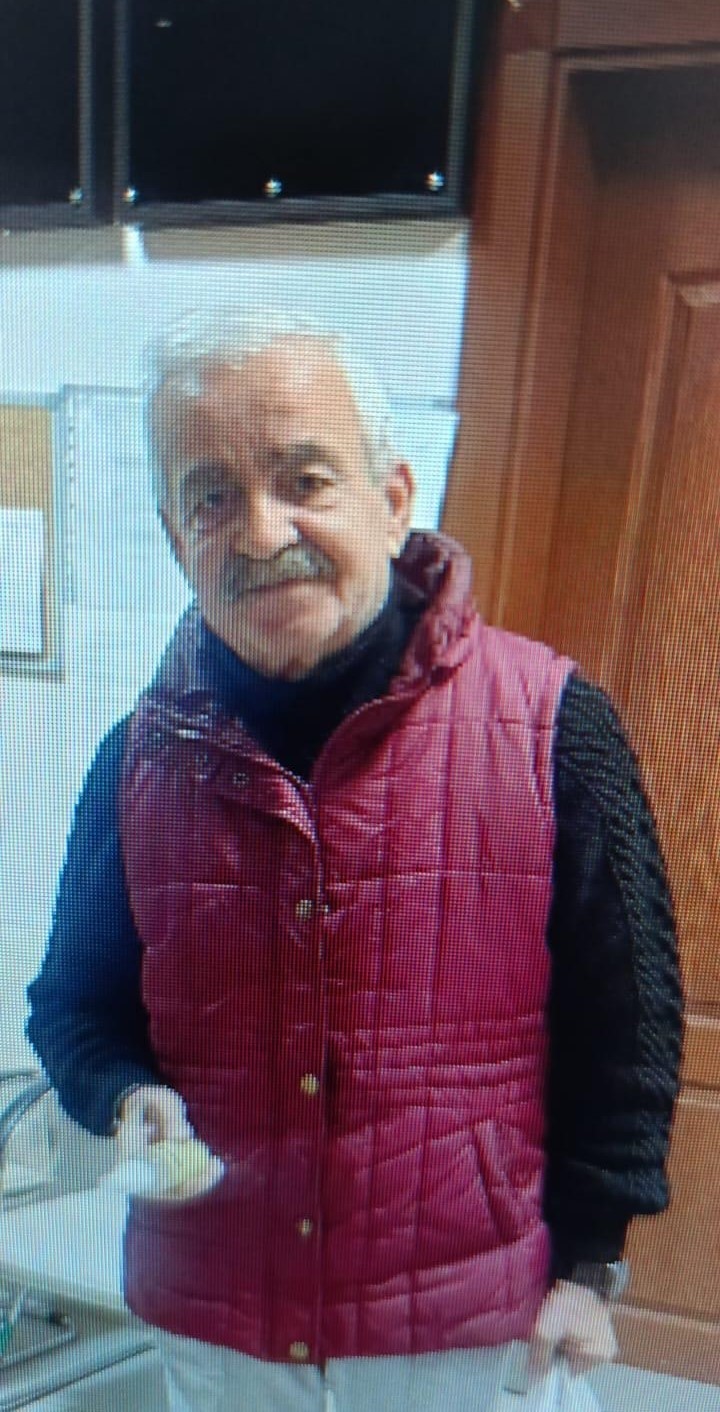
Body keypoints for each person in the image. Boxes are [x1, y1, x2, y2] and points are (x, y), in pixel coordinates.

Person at [27, 311, 683, 1412]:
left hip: (474, 1331)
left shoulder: (553, 724)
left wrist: (589, 1262)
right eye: (211, 496)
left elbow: (628, 1023)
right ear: (175, 537)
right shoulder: (133, 759)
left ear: (392, 498)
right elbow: (73, 1009)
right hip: (221, 1323)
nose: (260, 531)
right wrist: (125, 1094)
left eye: (305, 479)